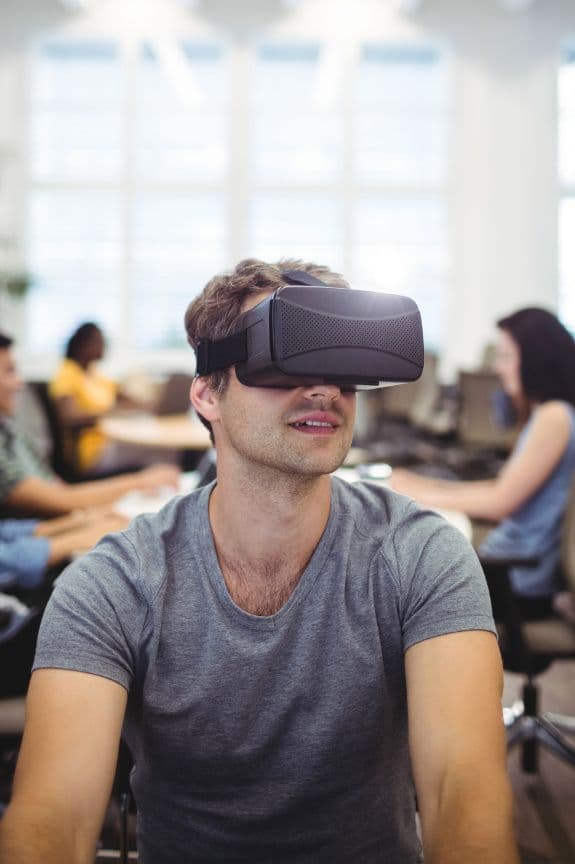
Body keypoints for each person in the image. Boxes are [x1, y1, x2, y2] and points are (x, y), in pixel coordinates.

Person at [0, 259, 518, 864]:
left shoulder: (422, 555)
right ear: (206, 392)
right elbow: (53, 820)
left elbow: (464, 793)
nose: (323, 388)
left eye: (339, 362)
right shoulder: (115, 581)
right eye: (287, 355)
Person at [392, 307, 575, 618]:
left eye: (505, 356)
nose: (497, 367)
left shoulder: (553, 417)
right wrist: (422, 484)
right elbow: (502, 487)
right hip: (508, 571)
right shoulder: (546, 414)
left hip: (515, 583)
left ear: (535, 358)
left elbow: (499, 501)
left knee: (396, 585)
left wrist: (412, 494)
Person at [0, 331, 181, 517]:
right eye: (9, 371)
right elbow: (60, 499)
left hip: (67, 504)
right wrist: (142, 482)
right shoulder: (68, 374)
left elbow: (55, 488)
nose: (20, 384)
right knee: (162, 453)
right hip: (90, 451)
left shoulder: (10, 430)